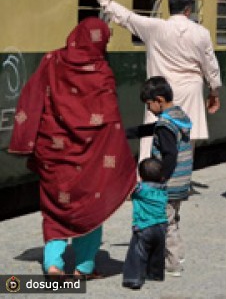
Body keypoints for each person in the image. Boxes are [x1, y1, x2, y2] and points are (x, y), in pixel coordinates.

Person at [9, 18, 135, 277]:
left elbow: (31, 98)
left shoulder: (51, 60)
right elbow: (109, 120)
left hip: (53, 151)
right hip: (90, 157)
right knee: (91, 205)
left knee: (55, 207)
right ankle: (84, 267)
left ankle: (53, 264)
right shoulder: (101, 71)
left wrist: (28, 139)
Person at [86, 0, 221, 162]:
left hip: (160, 93)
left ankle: (148, 176)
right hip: (190, 92)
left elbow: (126, 17)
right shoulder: (202, 33)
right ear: (188, 11)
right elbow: (210, 65)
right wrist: (214, 91)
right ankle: (180, 180)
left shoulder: (153, 27)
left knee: (152, 135)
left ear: (170, 9)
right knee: (185, 139)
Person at [126, 76, 193, 276]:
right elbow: (150, 129)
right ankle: (178, 255)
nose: (148, 109)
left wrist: (160, 179)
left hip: (168, 183)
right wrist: (125, 132)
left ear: (159, 100)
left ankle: (172, 264)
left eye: (149, 104)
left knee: (164, 224)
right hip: (182, 182)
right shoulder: (178, 115)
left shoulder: (165, 125)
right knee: (173, 220)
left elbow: (169, 155)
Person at [122, 158, 168, 290]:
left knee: (137, 253)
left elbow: (127, 187)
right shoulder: (163, 188)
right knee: (157, 252)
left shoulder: (140, 189)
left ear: (140, 176)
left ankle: (133, 279)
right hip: (161, 226)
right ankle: (156, 274)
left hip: (144, 226)